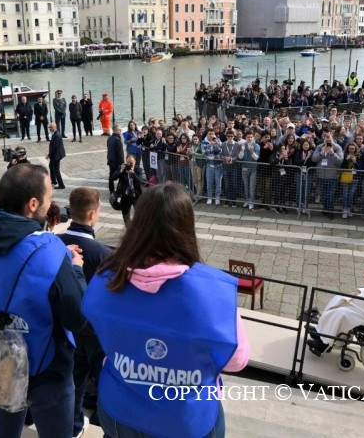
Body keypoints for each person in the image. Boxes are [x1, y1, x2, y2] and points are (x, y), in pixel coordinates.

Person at [82, 183, 250, 438]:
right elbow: (236, 361)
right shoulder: (213, 291)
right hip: (185, 419)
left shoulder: (106, 279)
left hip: (120, 408)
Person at [0, 164, 87, 437]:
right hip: (47, 367)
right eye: (48, 199)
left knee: (4, 428)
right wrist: (76, 270)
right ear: (33, 204)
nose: (50, 204)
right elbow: (78, 317)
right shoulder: (49, 250)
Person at [59, 187, 112, 434]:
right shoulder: (103, 254)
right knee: (104, 377)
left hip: (65, 325)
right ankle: (103, 418)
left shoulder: (54, 243)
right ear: (92, 214)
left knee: (73, 379)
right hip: (96, 329)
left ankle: (74, 424)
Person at [111, 155, 144, 225]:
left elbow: (140, 182)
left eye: (131, 163)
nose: (129, 165)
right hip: (125, 195)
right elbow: (113, 178)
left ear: (135, 162)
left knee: (139, 214)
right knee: (126, 215)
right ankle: (129, 229)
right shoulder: (122, 168)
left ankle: (138, 228)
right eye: (128, 162)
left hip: (136, 195)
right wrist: (121, 170)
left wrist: (133, 174)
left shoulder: (138, 169)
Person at [47, 122, 66, 190]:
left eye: (51, 127)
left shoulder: (57, 135)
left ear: (55, 127)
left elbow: (55, 147)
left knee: (56, 170)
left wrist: (49, 154)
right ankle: (54, 181)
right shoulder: (55, 134)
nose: (50, 129)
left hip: (56, 155)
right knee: (51, 166)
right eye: (49, 127)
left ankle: (61, 184)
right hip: (55, 154)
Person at [107, 125, 124, 195]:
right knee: (121, 176)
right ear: (115, 130)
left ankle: (111, 190)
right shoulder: (118, 140)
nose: (120, 131)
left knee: (111, 176)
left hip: (110, 160)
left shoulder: (109, 138)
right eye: (119, 130)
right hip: (116, 161)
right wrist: (122, 163)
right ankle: (120, 190)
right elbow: (120, 153)